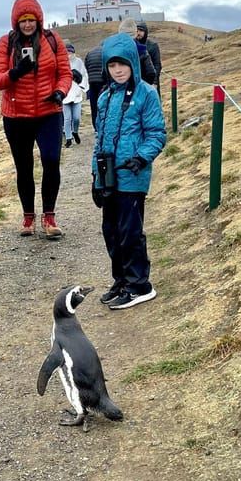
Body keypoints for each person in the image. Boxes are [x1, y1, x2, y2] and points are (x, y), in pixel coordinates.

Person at [91, 32, 166, 310]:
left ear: (133, 62)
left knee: (130, 231)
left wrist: (141, 157)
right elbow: (99, 139)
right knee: (110, 230)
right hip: (108, 175)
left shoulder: (146, 93)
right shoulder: (105, 96)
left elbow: (157, 133)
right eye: (112, 65)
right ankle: (121, 279)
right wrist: (95, 176)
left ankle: (140, 285)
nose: (118, 70)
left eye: (122, 64)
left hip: (133, 175)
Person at [0, 0, 73, 239]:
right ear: (16, 22)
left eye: (31, 20)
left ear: (39, 20)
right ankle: (28, 217)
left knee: (51, 160)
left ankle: (49, 216)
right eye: (23, 20)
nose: (28, 24)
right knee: (24, 168)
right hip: (16, 116)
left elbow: (65, 73)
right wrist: (16, 72)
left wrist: (60, 92)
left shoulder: (52, 40)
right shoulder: (6, 43)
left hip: (49, 112)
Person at [62, 43, 89, 148]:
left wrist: (82, 86)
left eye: (70, 52)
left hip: (76, 94)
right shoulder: (62, 63)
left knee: (76, 118)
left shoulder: (78, 62)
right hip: (65, 95)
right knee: (67, 118)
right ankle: (68, 138)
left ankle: (75, 132)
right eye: (67, 52)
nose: (69, 54)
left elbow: (84, 74)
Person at [118, 18, 157, 85]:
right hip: (138, 89)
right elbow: (151, 73)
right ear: (135, 33)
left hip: (120, 90)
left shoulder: (113, 50)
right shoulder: (142, 50)